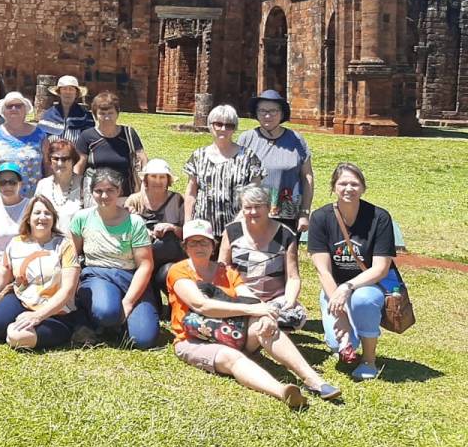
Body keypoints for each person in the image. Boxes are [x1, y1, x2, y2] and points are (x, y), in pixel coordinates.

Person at [167, 219, 340, 406]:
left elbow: (250, 298)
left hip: (233, 333)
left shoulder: (227, 271)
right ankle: (283, 392)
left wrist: (265, 315)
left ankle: (314, 381)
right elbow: (201, 305)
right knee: (231, 357)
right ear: (185, 246)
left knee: (264, 326)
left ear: (213, 245)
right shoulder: (178, 271)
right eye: (193, 242)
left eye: (204, 242)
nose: (199, 247)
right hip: (192, 340)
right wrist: (252, 309)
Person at [308, 163, 397, 381]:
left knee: (363, 300)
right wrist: (339, 310)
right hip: (333, 289)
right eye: (343, 183)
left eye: (354, 184)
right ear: (334, 187)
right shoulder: (320, 217)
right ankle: (351, 335)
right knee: (334, 342)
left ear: (363, 188)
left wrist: (348, 288)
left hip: (368, 286)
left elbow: (380, 268)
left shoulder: (379, 217)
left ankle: (369, 360)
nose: (349, 188)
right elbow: (323, 271)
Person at [0, 195, 80, 350]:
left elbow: (67, 292)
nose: (42, 217)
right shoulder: (16, 244)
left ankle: (16, 328)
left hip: (56, 312)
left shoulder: (65, 245)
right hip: (21, 301)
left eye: (47, 213)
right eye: (37, 213)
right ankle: (9, 324)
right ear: (28, 218)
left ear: (54, 218)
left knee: (16, 336)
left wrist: (37, 316)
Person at [65, 168, 159, 349]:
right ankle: (94, 319)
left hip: (129, 277)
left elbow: (145, 265)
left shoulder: (135, 222)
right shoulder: (82, 218)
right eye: (98, 191)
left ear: (119, 191)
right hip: (96, 275)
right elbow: (72, 256)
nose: (104, 195)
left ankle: (110, 325)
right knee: (106, 312)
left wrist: (129, 302)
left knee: (143, 339)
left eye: (110, 190)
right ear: (91, 192)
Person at [219, 185, 306, 330]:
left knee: (295, 316)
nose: (253, 212)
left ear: (268, 208)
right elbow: (222, 269)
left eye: (258, 206)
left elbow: (293, 277)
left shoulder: (285, 235)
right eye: (247, 207)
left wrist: (289, 302)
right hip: (241, 296)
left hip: (275, 299)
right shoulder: (232, 231)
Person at [184, 104, 265, 241]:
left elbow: (254, 195)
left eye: (229, 125)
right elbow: (191, 192)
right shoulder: (198, 156)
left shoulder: (248, 157)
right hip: (203, 228)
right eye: (218, 124)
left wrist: (236, 224)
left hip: (239, 227)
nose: (223, 129)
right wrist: (188, 222)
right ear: (210, 125)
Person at [237, 90, 314, 233]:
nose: (267, 116)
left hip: (288, 215)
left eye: (273, 111)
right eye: (262, 111)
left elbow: (307, 177)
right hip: (253, 213)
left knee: (286, 254)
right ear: (256, 113)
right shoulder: (246, 139)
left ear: (282, 113)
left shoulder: (297, 140)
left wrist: (304, 212)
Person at [125, 158, 186, 291]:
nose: (157, 181)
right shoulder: (134, 200)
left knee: (169, 271)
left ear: (168, 180)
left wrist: (172, 228)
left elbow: (187, 234)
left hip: (169, 258)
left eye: (162, 177)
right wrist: (141, 230)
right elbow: (122, 232)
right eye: (153, 176)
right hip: (139, 258)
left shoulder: (178, 200)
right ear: (146, 179)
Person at [73, 91, 147, 196]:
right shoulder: (87, 136)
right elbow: (78, 167)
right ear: (95, 115)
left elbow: (143, 160)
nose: (107, 117)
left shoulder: (128, 134)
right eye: (102, 114)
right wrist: (75, 192)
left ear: (117, 113)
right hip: (95, 195)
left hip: (125, 195)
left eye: (110, 113)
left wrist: (143, 189)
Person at [0, 92, 48, 201]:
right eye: (9, 106)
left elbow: (48, 166)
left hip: (32, 200)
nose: (14, 109)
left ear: (25, 110)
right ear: (3, 111)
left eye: (18, 106)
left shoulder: (40, 135)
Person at [35, 138, 86, 231]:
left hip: (75, 242)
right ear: (50, 161)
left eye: (65, 159)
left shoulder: (86, 184)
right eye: (55, 158)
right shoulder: (42, 185)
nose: (60, 163)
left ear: (73, 161)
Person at [37, 75, 95, 145]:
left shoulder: (86, 116)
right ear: (59, 92)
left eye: (71, 89)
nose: (68, 92)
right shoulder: (48, 115)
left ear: (76, 93)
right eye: (64, 89)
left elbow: (89, 141)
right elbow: (40, 140)